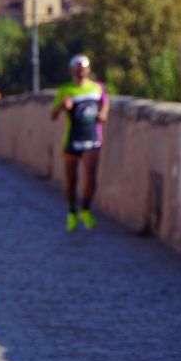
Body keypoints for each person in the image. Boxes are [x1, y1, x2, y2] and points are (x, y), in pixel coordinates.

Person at [50, 54, 109, 232]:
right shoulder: (65, 89)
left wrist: (104, 113)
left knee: (91, 177)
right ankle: (71, 213)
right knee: (71, 180)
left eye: (83, 68)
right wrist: (63, 106)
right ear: (72, 71)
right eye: (77, 69)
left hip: (92, 138)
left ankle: (85, 209)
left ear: (88, 69)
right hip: (72, 139)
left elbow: (105, 103)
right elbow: (53, 116)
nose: (81, 72)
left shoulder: (97, 87)